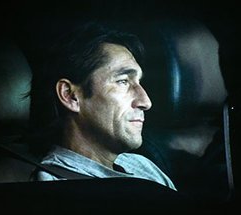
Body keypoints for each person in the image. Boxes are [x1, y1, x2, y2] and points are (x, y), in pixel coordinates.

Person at [29, 21, 176, 190]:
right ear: (70, 96)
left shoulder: (143, 166)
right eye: (123, 81)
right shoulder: (54, 185)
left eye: (138, 82)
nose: (145, 102)